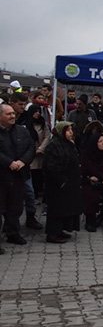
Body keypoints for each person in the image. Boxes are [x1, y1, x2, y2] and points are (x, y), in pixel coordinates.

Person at [0, 103, 35, 246]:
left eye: (13, 113)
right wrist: (8, 162)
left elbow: (31, 147)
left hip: (19, 176)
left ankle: (13, 233)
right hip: (2, 176)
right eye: (8, 114)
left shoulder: (22, 131)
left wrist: (23, 161)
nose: (12, 116)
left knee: (15, 207)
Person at [42, 121, 82, 243]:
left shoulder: (69, 144)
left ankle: (60, 230)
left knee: (65, 208)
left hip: (69, 183)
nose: (71, 133)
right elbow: (50, 166)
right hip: (58, 184)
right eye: (68, 130)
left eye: (71, 130)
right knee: (57, 209)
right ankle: (52, 234)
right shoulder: (53, 145)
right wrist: (61, 181)